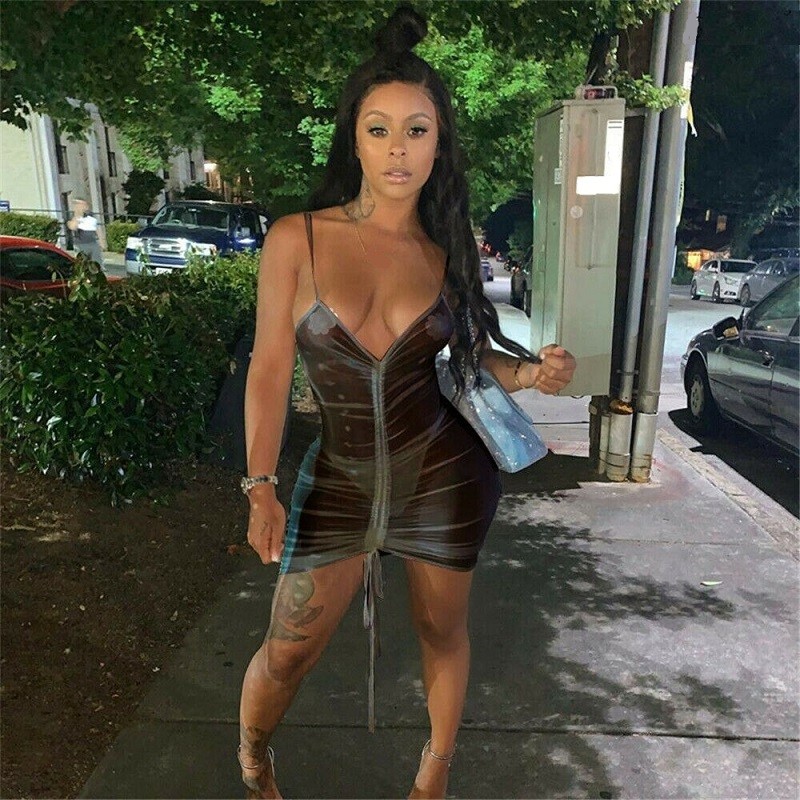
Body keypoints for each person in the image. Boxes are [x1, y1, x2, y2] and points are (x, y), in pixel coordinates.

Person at [237, 8, 576, 799]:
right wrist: (260, 485)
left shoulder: (444, 252)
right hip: (340, 479)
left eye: (416, 131)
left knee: (440, 630)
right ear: (354, 141)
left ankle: (434, 772)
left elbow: (464, 366)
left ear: (438, 145)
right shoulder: (297, 239)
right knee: (288, 648)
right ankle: (253, 758)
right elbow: (269, 369)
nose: (398, 148)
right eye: (380, 129)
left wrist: (531, 375)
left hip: (443, 477)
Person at [66, 198, 104, 267]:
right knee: (83, 264)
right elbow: (72, 227)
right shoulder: (73, 217)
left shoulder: (91, 216)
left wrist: (101, 241)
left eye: (84, 205)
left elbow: (96, 228)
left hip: (93, 243)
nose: (83, 207)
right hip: (81, 244)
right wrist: (77, 215)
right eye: (80, 205)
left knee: (97, 264)